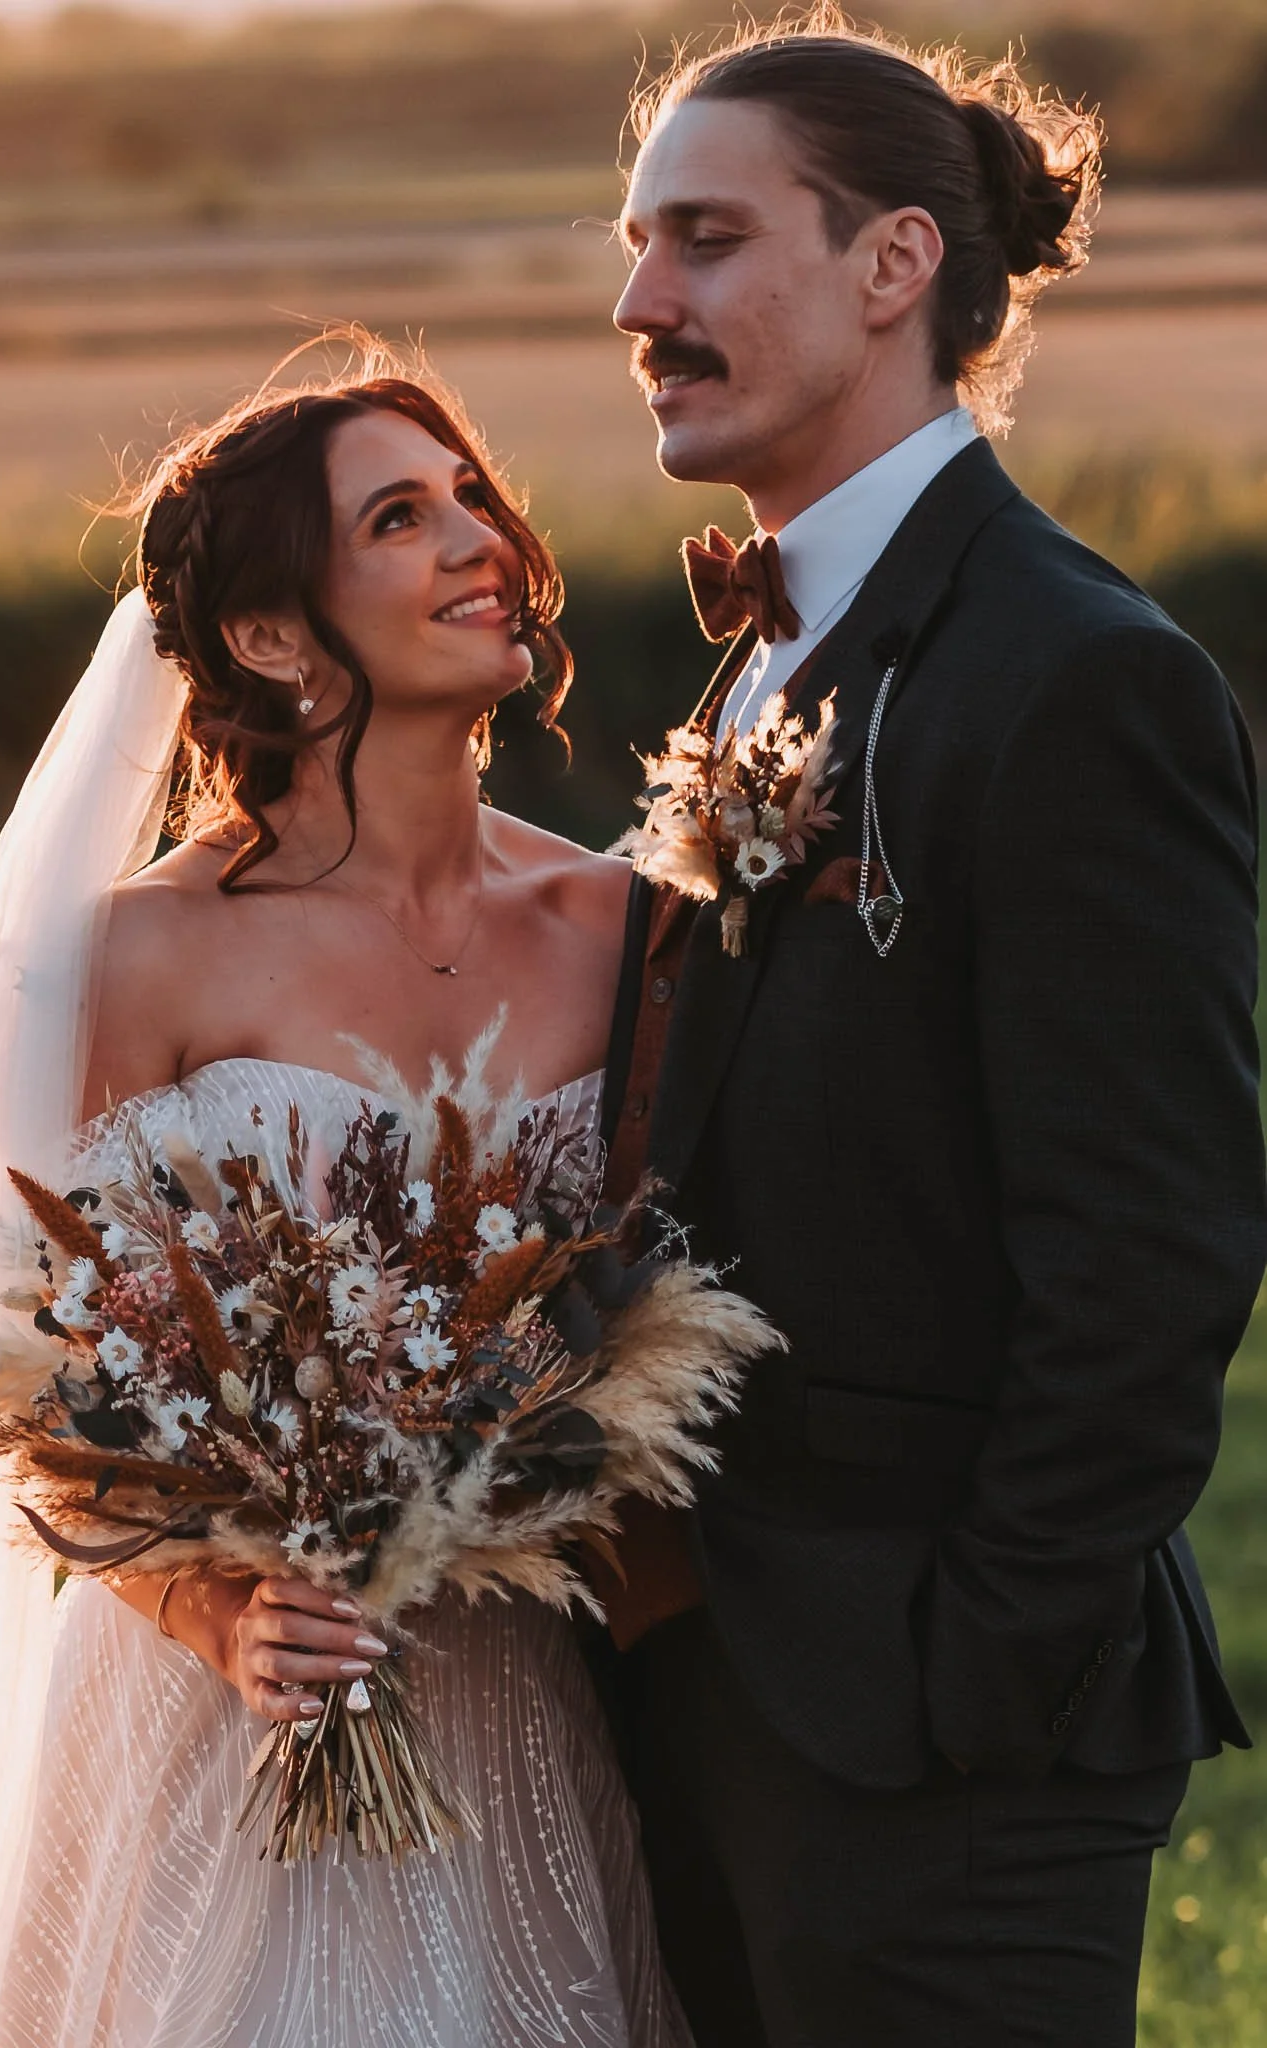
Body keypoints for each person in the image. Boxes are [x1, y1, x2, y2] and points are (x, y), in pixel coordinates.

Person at [598, 13, 1267, 2047]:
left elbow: (1149, 1253)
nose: (640, 305)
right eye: (635, 248)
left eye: (707, 239)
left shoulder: (1075, 676)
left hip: (937, 1746)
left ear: (894, 263)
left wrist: (966, 1675)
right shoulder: (761, 663)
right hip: (701, 1698)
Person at [0, 348, 689, 2048]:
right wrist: (228, 1617)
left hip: (509, 1702)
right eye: (400, 519)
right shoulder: (143, 954)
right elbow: (54, 1382)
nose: (481, 540)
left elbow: (652, 1300)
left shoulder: (629, 931)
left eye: (472, 494)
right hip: (219, 1728)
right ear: (269, 636)